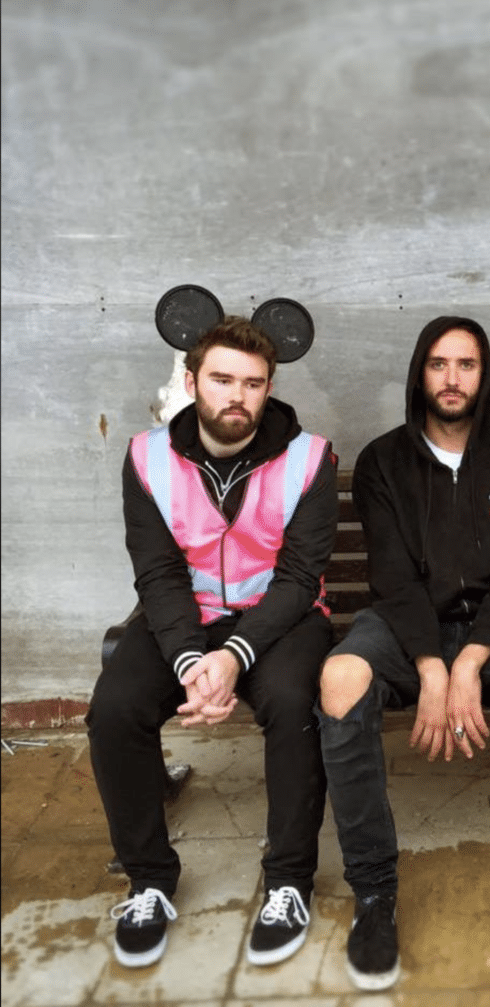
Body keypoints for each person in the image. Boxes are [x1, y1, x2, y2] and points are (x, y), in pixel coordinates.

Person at [317, 316, 490, 999]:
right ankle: (375, 896)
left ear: (483, 375)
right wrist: (431, 666)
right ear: (420, 373)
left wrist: (468, 661)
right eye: (438, 364)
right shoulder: (383, 461)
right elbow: (392, 578)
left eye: (465, 365)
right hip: (407, 628)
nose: (451, 378)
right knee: (341, 678)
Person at [87, 317, 338, 968]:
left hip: (279, 621)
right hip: (182, 620)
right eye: (222, 379)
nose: (237, 396)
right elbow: (157, 571)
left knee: (291, 702)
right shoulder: (146, 457)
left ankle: (288, 880)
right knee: (114, 710)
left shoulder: (311, 457)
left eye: (253, 383)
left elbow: (297, 578)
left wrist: (233, 658)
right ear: (193, 380)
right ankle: (149, 881)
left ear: (269, 387)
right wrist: (195, 658)